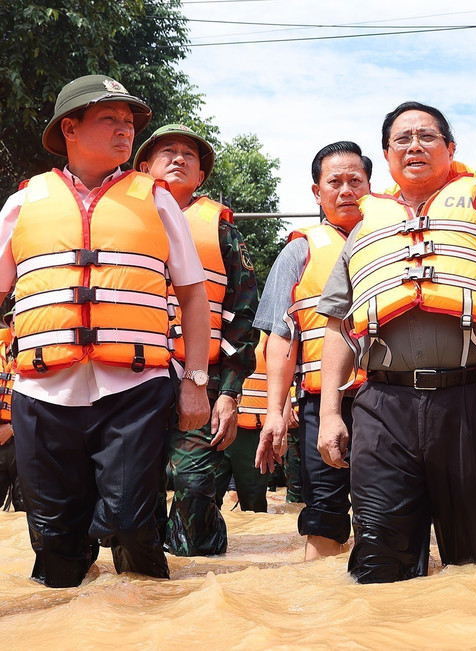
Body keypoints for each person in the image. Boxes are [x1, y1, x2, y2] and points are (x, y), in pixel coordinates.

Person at [316, 52, 476, 583]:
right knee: (378, 565)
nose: (415, 146)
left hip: (472, 400)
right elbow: (336, 327)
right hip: (382, 406)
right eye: (402, 139)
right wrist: (331, 413)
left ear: (450, 150)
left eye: (427, 137)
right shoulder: (363, 228)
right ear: (386, 155)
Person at [0, 75, 210, 587]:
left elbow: (192, 295)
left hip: (134, 392)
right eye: (109, 119)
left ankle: (149, 631)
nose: (125, 130)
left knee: (134, 528)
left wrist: (196, 381)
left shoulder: (156, 201)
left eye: (129, 122)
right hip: (42, 394)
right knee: (53, 542)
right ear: (69, 128)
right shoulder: (22, 204)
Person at [135, 123, 259, 556]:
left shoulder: (221, 231)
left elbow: (243, 316)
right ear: (144, 166)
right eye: (167, 151)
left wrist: (229, 393)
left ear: (201, 177)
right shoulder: (125, 222)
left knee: (195, 486)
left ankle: (201, 578)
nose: (179, 159)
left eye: (190, 155)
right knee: (133, 495)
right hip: (134, 380)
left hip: (201, 381)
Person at [253, 141, 372, 560]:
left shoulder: (393, 242)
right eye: (334, 182)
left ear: (371, 186)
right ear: (316, 192)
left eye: (355, 181)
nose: (346, 191)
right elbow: (281, 339)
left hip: (388, 398)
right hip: (323, 403)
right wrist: (274, 412)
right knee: (324, 508)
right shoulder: (298, 252)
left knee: (387, 509)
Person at [223, 330, 271, 511]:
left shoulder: (269, 334)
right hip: (216, 424)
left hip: (254, 431)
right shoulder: (225, 323)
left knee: (253, 506)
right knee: (201, 497)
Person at [0, 306, 22, 512]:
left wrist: (13, 427)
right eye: (12, 320)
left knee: (26, 511)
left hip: (25, 442)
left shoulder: (40, 354)